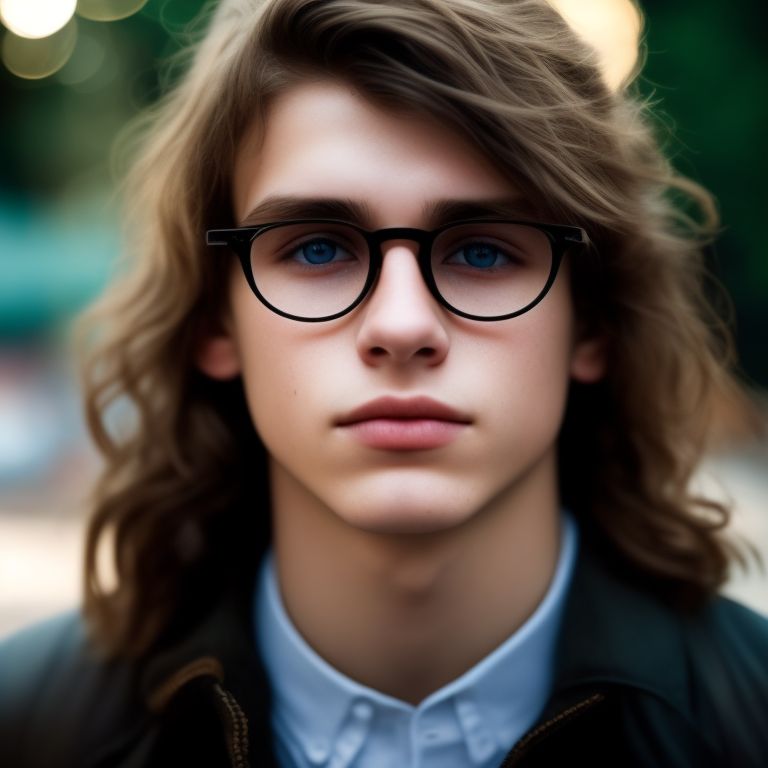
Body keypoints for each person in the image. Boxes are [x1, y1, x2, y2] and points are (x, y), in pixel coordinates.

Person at [1, 0, 767, 766]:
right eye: (315, 249)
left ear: (592, 319)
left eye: (483, 252)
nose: (402, 326)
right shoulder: (28, 725)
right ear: (215, 320)